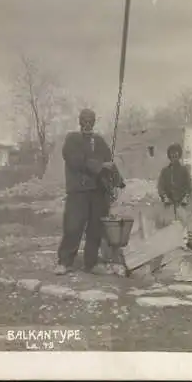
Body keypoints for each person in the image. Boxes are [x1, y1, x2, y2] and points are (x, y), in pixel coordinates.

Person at [55, 108, 125, 275]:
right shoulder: (72, 140)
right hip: (78, 191)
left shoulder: (99, 141)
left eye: (90, 121)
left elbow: (109, 162)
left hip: (98, 192)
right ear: (80, 122)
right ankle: (65, 262)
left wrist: (116, 183)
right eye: (84, 121)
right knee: (73, 226)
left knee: (95, 228)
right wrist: (100, 166)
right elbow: (75, 161)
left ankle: (91, 263)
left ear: (94, 122)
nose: (87, 124)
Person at [157, 143, 192, 221]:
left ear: (179, 155)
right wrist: (164, 197)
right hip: (168, 203)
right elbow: (160, 186)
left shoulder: (184, 170)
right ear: (169, 156)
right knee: (168, 226)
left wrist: (185, 198)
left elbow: (189, 185)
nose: (174, 156)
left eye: (176, 154)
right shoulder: (165, 171)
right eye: (172, 154)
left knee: (182, 225)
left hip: (181, 203)